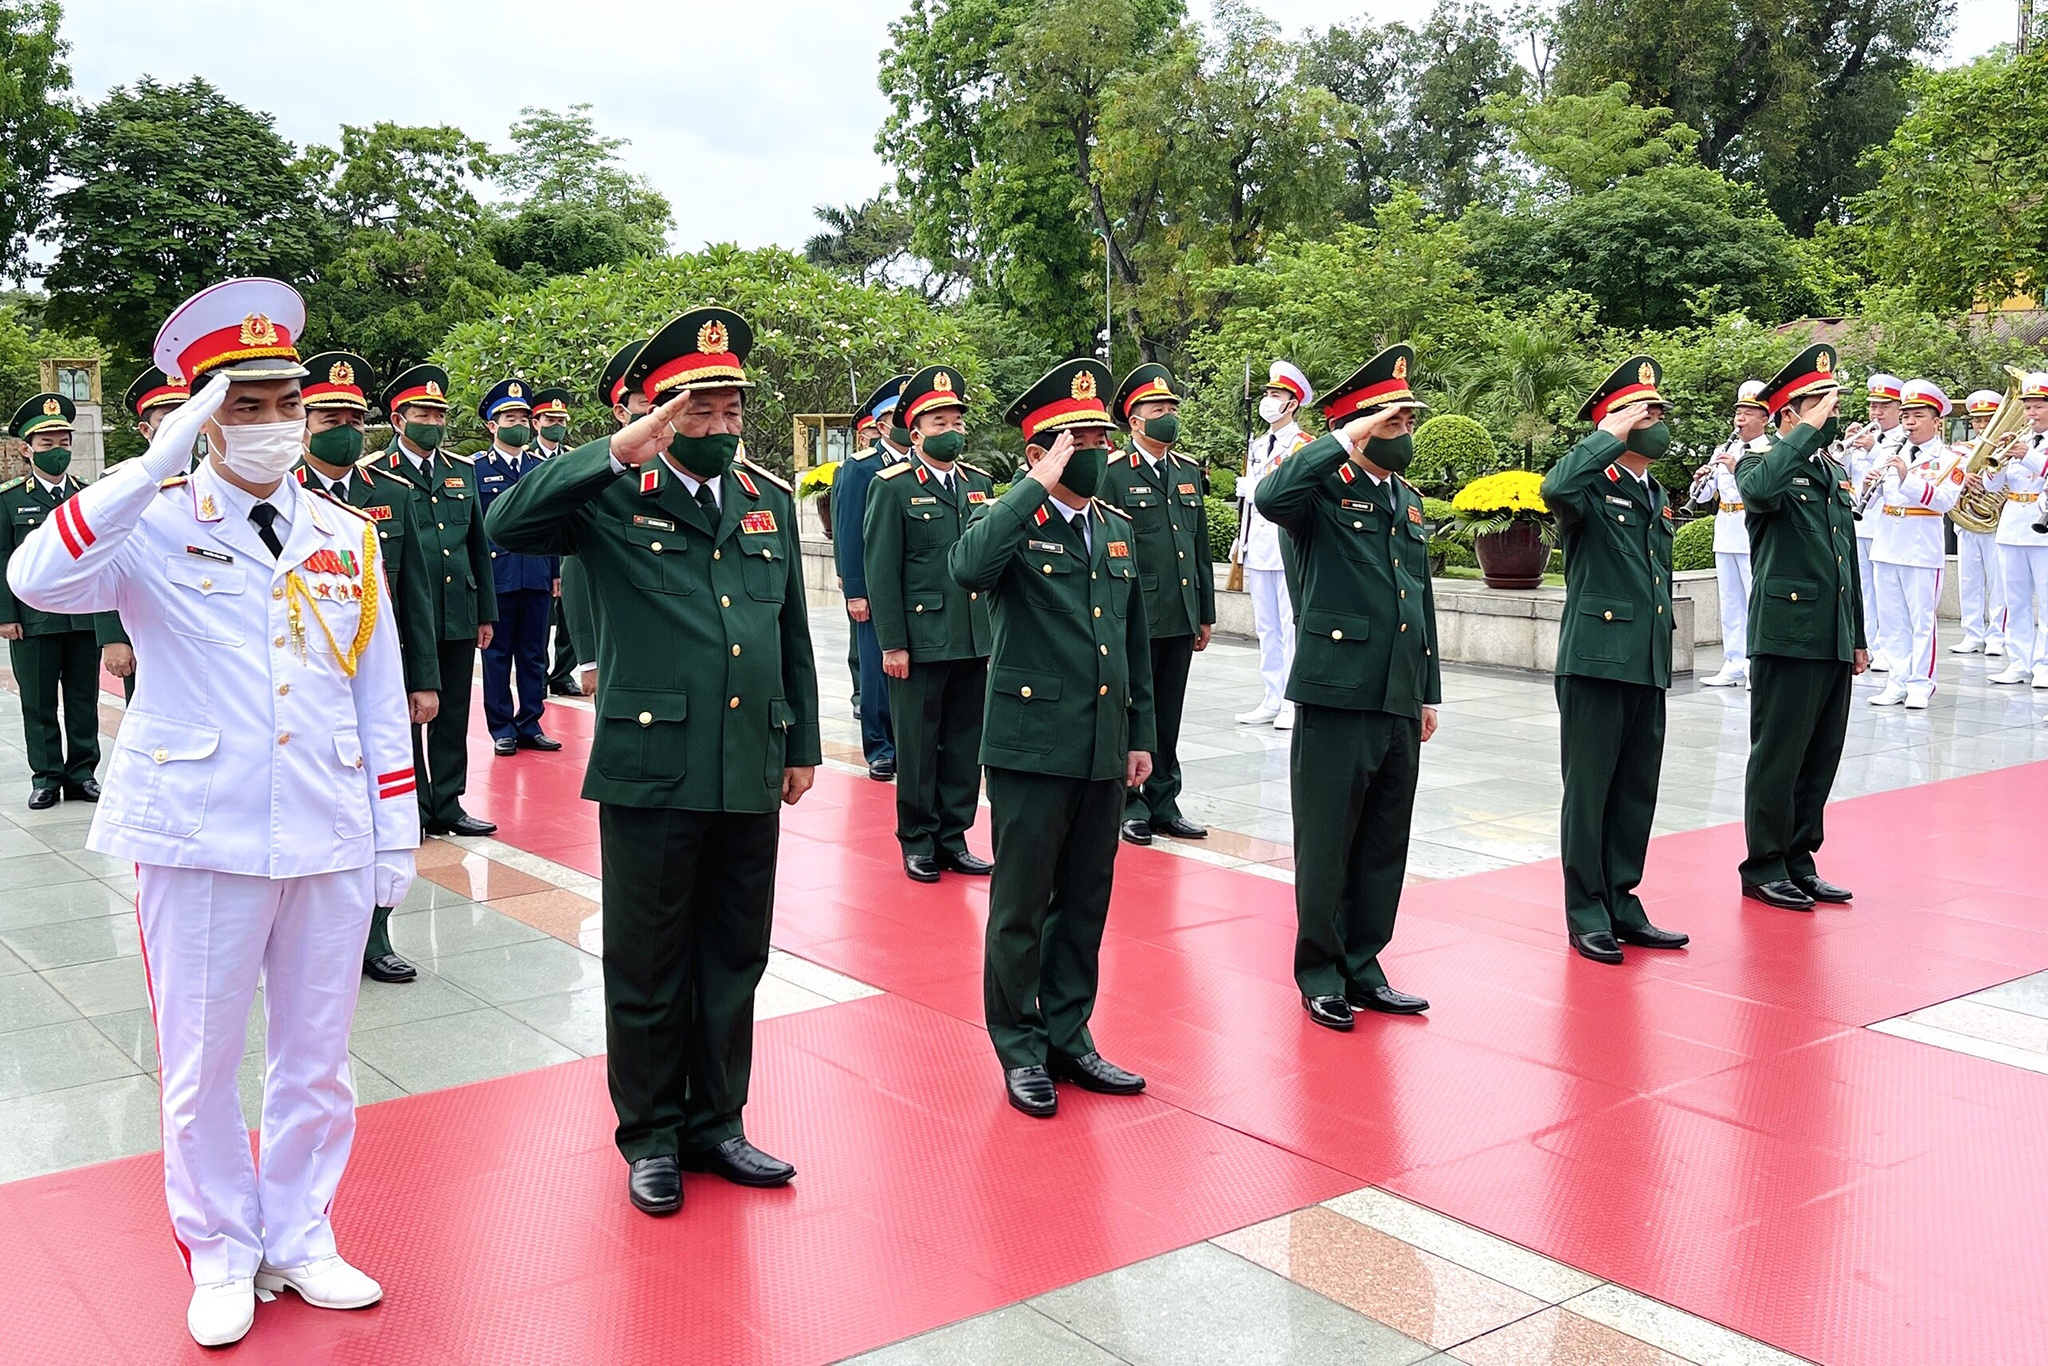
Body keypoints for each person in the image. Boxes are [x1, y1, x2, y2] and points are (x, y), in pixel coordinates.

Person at [7, 278, 416, 1347]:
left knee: (317, 1056)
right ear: (198, 412)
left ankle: (302, 1232)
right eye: (246, 402)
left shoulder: (346, 534)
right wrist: (151, 463)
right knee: (198, 1058)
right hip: (198, 829)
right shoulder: (149, 522)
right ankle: (221, 1248)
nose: (276, 422)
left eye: (288, 400)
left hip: (326, 825)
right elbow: (35, 578)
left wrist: (395, 831)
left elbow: (377, 692)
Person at [484, 307, 819, 1216]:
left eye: (728, 413)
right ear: (662, 414)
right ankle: (652, 1136)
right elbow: (509, 523)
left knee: (733, 955)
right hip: (654, 763)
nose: (716, 429)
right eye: (695, 414)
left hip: (749, 759)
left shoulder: (768, 501)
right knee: (649, 958)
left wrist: (804, 744)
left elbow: (788, 629)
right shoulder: (607, 495)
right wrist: (614, 451)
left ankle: (718, 1122)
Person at [950, 358, 1154, 1117]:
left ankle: (1071, 1035)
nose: (1095, 449)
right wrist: (1031, 487)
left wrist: (1141, 735)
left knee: (1085, 902)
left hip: (1102, 744)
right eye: (1076, 438)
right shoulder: (1010, 522)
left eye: (1100, 434)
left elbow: (1132, 645)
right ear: (1038, 453)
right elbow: (968, 567)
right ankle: (1021, 1046)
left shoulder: (1118, 529)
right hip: (1031, 745)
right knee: (1021, 905)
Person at [1254, 346, 1437, 1028]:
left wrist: (1429, 691)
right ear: (1360, 429)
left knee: (1385, 838)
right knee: (1329, 840)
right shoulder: (1319, 493)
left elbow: (1419, 601)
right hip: (1336, 688)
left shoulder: (1408, 501)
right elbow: (1271, 496)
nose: (1405, 434)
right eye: (1392, 423)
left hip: (1396, 689)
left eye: (1407, 422)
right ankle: (1321, 970)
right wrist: (1344, 437)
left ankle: (1365, 964)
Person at [294, 351, 442, 985]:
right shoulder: (279, 490)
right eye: (331, 415)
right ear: (304, 423)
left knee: (381, 811)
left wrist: (425, 679)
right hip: (302, 682)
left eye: (355, 417)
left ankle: (375, 934)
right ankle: (302, 935)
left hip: (376, 686)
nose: (346, 428)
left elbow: (415, 597)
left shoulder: (390, 495)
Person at [1542, 357, 1691, 964]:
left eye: (1658, 410)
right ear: (1616, 421)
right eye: (1644, 411)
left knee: (1634, 790)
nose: (1656, 420)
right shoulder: (1592, 485)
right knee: (1590, 791)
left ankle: (1622, 901)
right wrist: (1607, 434)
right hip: (1596, 659)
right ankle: (1586, 912)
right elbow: (1554, 488)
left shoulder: (1651, 490)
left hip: (1645, 658)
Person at [1736, 343, 1868, 911]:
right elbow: (1762, 491)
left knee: (1820, 753)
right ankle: (1763, 864)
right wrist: (1799, 434)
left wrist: (1857, 635)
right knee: (1779, 754)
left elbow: (1845, 559)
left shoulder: (1832, 471)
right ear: (1787, 413)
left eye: (1829, 402)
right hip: (1787, 635)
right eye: (1816, 403)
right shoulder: (1758, 464)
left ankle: (1799, 858)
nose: (1828, 412)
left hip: (1831, 633)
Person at [864, 365, 997, 882]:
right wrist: (892, 643)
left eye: (956, 420)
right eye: (939, 423)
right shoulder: (892, 487)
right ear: (914, 433)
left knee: (965, 744)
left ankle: (953, 836)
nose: (951, 431)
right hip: (919, 642)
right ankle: (917, 838)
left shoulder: (980, 485)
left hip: (972, 636)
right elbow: (881, 568)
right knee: (918, 747)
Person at [378, 364, 498, 837]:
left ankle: (448, 803)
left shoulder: (460, 471)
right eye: (422, 413)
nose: (433, 421)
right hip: (404, 616)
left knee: (452, 712)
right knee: (407, 710)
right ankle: (414, 804)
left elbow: (477, 546)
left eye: (439, 413)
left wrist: (485, 611)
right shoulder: (377, 476)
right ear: (398, 420)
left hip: (456, 608)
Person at [1101, 363, 1213, 845]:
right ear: (1134, 420)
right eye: (1157, 408)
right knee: (1133, 710)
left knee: (1169, 712)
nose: (1167, 415)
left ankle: (1165, 800)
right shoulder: (1112, 474)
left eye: (1171, 407)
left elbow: (1200, 547)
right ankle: (1131, 803)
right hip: (1135, 617)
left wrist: (1205, 611)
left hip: (1179, 614)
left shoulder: (1187, 471)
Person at [0, 393, 103, 808]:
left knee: (84, 699)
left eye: (64, 443)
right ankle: (46, 776)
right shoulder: (8, 499)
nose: (57, 451)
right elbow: (2, 558)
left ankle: (83, 774)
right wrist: (4, 615)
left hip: (82, 617)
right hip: (33, 620)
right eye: (47, 444)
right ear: (26, 450)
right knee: (38, 702)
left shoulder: (89, 494)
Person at [1867, 380, 1967, 709]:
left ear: (1937, 420)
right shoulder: (1888, 451)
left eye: (1918, 415)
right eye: (1906, 415)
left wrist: (1905, 478)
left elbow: (1944, 501)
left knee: (1921, 620)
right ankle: (1897, 679)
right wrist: (1869, 485)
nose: (1909, 422)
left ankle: (1921, 683)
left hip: (1921, 546)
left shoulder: (1950, 459)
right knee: (1891, 618)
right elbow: (1866, 503)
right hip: (1886, 542)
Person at [474, 380, 562, 756]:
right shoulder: (476, 468)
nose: (520, 425)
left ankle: (530, 722)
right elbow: (474, 530)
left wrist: (555, 570)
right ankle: (501, 728)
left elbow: (554, 521)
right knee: (497, 656)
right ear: (493, 426)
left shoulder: (542, 467)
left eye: (524, 418)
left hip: (537, 573)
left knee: (534, 653)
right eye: (510, 418)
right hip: (498, 575)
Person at [833, 375, 911, 780]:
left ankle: (909, 741)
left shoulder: (923, 465)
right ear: (881, 426)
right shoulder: (861, 468)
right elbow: (848, 531)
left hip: (916, 589)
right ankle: (880, 747)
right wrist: (856, 590)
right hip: (875, 588)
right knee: (877, 672)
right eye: (895, 417)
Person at [102, 367, 196, 695]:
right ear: (145, 429)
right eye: (166, 419)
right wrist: (114, 637)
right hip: (149, 629)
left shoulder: (226, 479)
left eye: (186, 414)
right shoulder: (120, 486)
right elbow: (107, 565)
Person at [1234, 360, 1312, 730]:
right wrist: (1240, 537)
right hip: (1257, 544)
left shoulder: (1302, 446)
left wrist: (1259, 490)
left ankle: (1292, 701)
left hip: (1286, 544)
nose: (1268, 401)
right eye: (1267, 394)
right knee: (1266, 627)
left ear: (1292, 403)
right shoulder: (1256, 444)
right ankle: (1271, 696)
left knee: (1290, 624)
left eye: (1276, 395)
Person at [1693, 380, 1769, 688]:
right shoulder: (1724, 449)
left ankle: (1756, 663)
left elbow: (1761, 490)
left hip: (1752, 530)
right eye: (1739, 411)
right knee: (1730, 600)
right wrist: (1700, 480)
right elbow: (1701, 497)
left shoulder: (1770, 450)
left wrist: (1737, 468)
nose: (1741, 418)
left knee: (1755, 600)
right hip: (1725, 528)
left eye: (1749, 412)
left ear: (1765, 418)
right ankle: (1734, 661)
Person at [1989, 372, 2048, 688]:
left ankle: (2045, 665)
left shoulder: (2030, 448)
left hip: (2043, 529)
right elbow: (1991, 484)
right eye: (2028, 408)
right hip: (2012, 525)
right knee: (2016, 600)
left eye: (2038, 407)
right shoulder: (2019, 442)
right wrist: (1995, 459)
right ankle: (2020, 661)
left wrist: (2028, 455)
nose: (2031, 414)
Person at [1842, 373, 1904, 671]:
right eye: (1873, 407)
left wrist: (1873, 449)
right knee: (1863, 588)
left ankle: (1883, 646)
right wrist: (1846, 442)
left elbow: (1893, 471)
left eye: (1884, 407)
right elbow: (1838, 467)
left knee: (1883, 591)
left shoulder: (1902, 439)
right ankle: (1867, 643)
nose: (1876, 413)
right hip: (1858, 522)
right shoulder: (1863, 436)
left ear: (1898, 408)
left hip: (1884, 523)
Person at [530, 386, 588, 697]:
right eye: (550, 419)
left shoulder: (574, 459)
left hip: (570, 546)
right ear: (536, 423)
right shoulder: (526, 459)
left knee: (570, 615)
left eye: (562, 420)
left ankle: (562, 673)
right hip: (539, 548)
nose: (557, 425)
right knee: (539, 620)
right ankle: (537, 674)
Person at [1949, 389, 2009, 659]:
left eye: (1988, 419)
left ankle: (1997, 635)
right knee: (1968, 580)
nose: (1983, 426)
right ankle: (1972, 633)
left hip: (1996, 524)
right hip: (1967, 522)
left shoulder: (2008, 448)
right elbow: (1944, 480)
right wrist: (1963, 480)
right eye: (1978, 421)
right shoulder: (1960, 450)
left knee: (1999, 582)